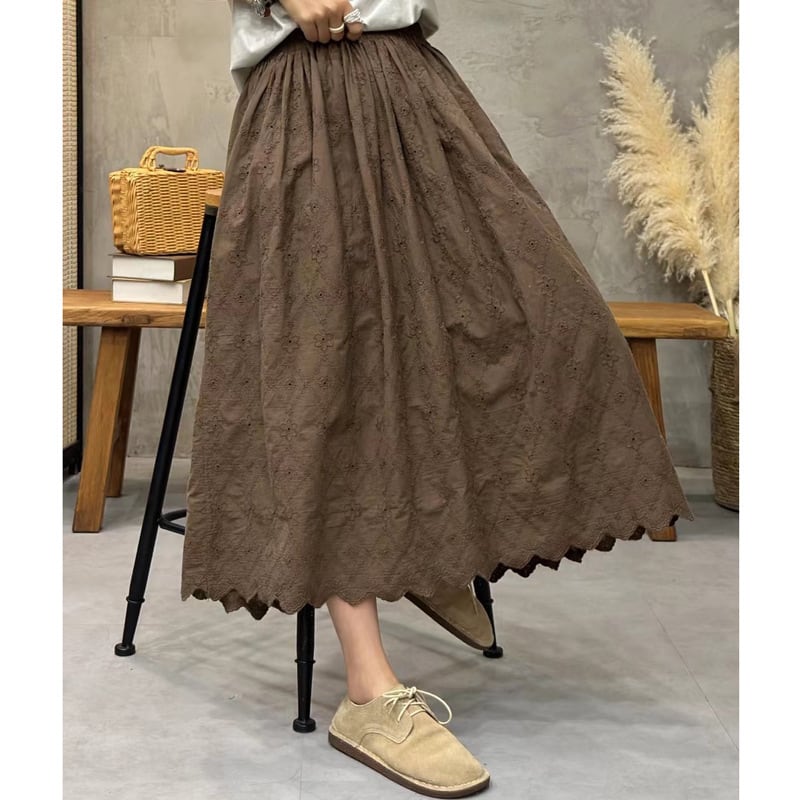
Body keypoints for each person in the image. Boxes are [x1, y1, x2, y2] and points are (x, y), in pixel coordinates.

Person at [180, 1, 694, 796]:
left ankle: (415, 546)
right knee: (329, 369)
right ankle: (368, 692)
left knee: (541, 312)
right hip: (306, 87)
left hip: (412, 78)